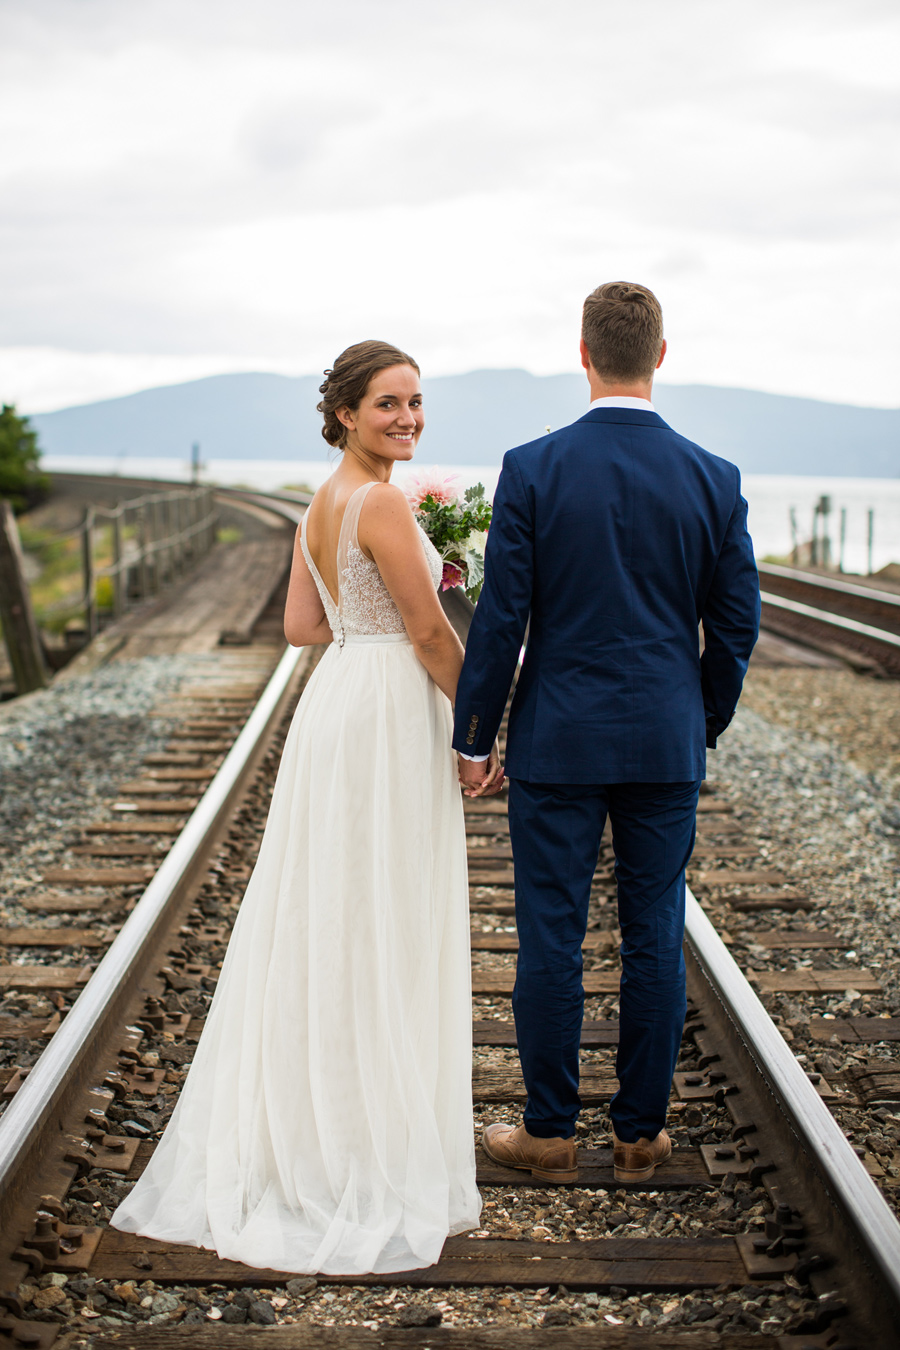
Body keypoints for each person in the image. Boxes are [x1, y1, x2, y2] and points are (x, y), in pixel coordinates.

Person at [112, 340, 498, 1274]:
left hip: (335, 706)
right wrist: (484, 730)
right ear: (346, 414)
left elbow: (300, 628)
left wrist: (372, 606)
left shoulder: (321, 504)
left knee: (334, 913)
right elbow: (429, 634)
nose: (407, 419)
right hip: (389, 712)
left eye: (415, 403)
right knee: (386, 914)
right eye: (388, 405)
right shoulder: (384, 504)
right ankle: (364, 1145)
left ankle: (319, 1129)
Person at [455, 282, 760, 1185]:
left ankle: (548, 1135)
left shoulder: (535, 466)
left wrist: (476, 735)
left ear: (582, 352)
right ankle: (640, 1135)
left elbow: (502, 620)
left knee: (550, 933)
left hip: (558, 740)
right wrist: (697, 720)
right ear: (660, 355)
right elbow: (736, 626)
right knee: (651, 932)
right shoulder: (715, 477)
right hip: (664, 741)